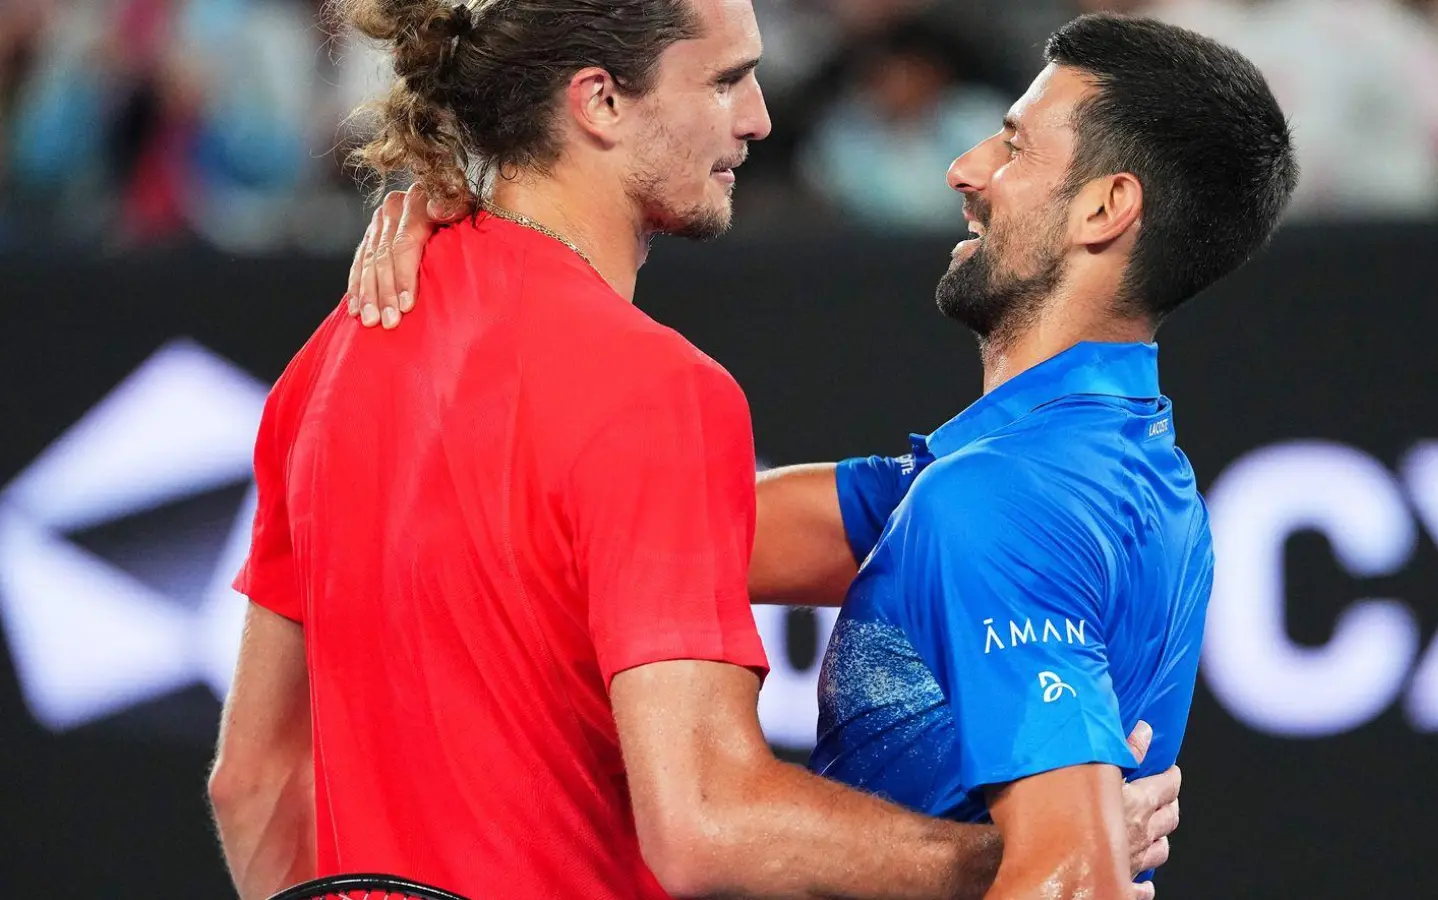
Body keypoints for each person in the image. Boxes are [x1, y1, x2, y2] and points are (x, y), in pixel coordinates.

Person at [208, 2, 1181, 900]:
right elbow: (706, 821)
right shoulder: (656, 391)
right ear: (599, 102)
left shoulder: (330, 365)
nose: (756, 119)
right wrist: (1018, 857)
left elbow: (254, 783)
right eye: (722, 81)